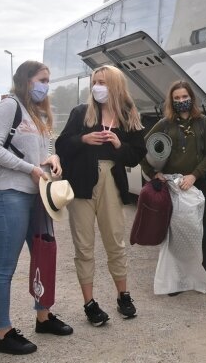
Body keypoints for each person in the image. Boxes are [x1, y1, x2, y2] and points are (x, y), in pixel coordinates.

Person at [0, 60, 73, 355]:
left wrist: (53, 157)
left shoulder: (40, 112)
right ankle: (3, 333)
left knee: (44, 256)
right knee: (5, 267)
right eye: (41, 79)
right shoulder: (9, 107)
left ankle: (43, 317)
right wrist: (30, 169)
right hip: (10, 194)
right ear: (26, 80)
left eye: (48, 79)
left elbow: (45, 147)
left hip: (39, 196)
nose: (46, 84)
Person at [56, 65, 146, 326]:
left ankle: (123, 296)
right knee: (84, 246)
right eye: (95, 81)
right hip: (81, 185)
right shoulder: (81, 113)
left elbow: (137, 154)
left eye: (103, 82)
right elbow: (61, 145)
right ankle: (90, 303)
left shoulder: (128, 115)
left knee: (115, 242)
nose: (98, 87)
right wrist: (83, 140)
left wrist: (119, 145)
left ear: (115, 86)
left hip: (111, 184)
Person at [140, 80, 206, 295]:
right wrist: (155, 174)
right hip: (172, 186)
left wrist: (194, 175)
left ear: (191, 98)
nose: (181, 101)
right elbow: (142, 149)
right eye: (177, 98)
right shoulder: (165, 124)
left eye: (184, 97)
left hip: (197, 183)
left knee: (201, 229)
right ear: (171, 101)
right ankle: (175, 279)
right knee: (174, 231)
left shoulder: (204, 123)